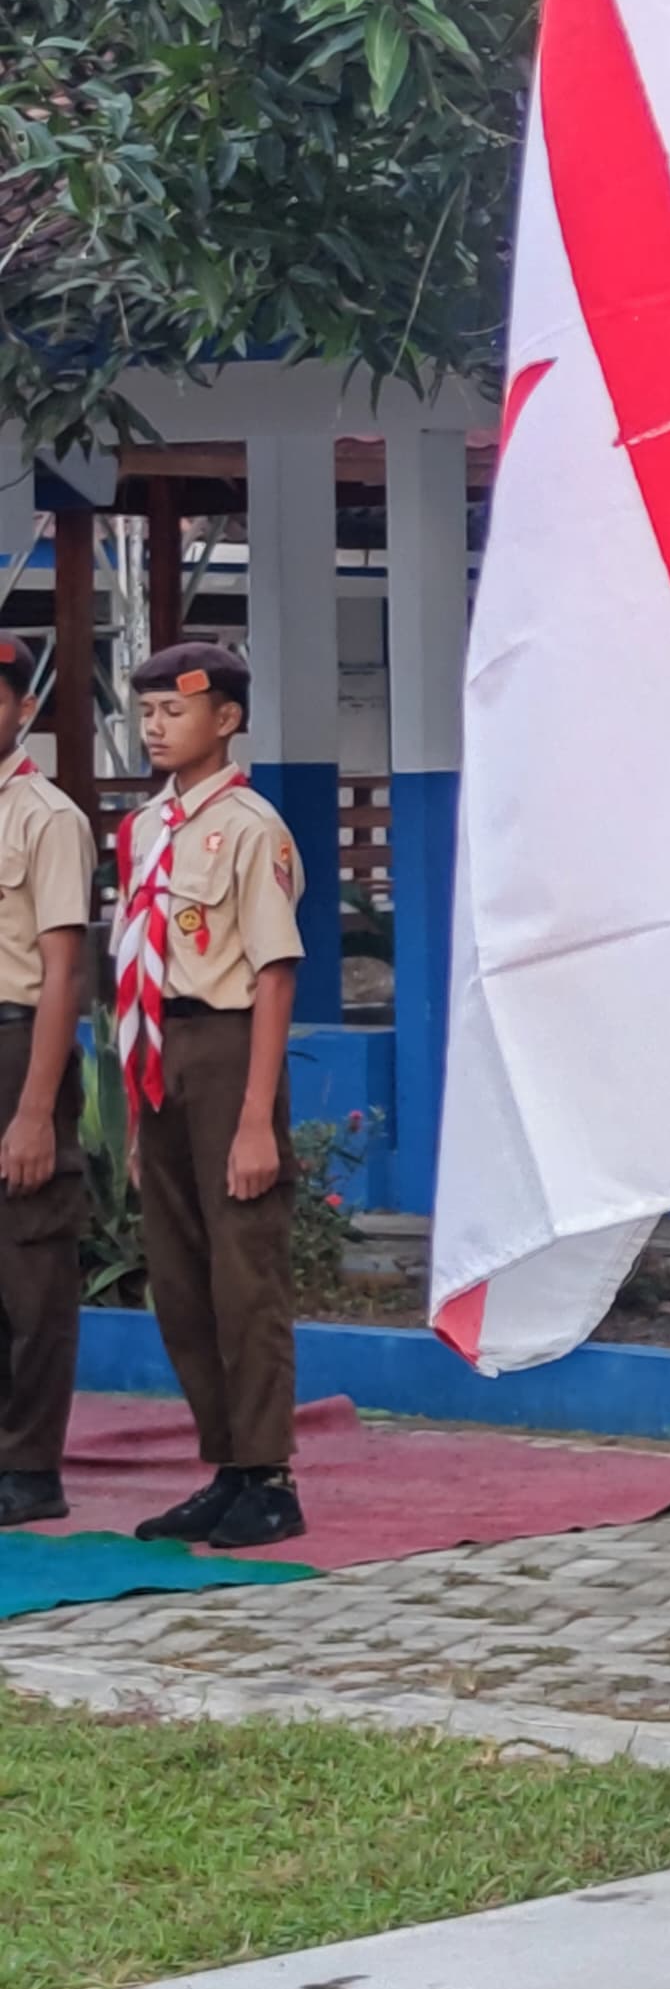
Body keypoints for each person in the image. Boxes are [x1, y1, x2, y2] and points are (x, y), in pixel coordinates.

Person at [118, 641, 308, 1553]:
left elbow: (274, 975)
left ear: (226, 720)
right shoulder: (145, 829)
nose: (156, 728)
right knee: (180, 1277)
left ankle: (269, 1476)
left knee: (243, 1271)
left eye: (175, 712)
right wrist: (133, 1115)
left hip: (229, 1048)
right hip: (159, 1051)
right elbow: (136, 968)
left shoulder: (252, 827)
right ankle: (226, 1463)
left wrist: (256, 1119)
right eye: (147, 712)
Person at [0, 637, 94, 1531]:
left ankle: (30, 1466)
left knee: (29, 1263)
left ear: (22, 710)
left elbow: (63, 970)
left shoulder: (46, 817)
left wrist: (36, 1109)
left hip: (18, 1043)